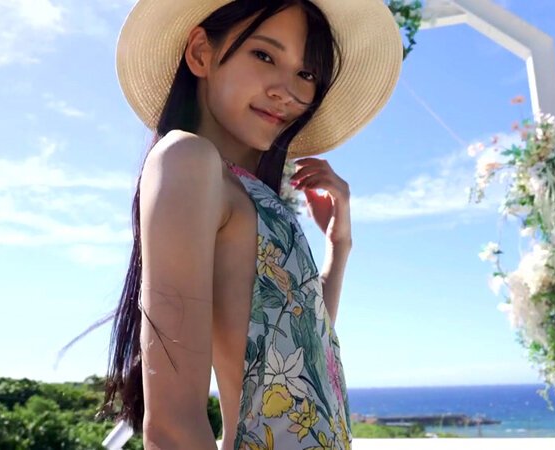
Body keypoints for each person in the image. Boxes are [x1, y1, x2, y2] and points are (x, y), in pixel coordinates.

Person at [100, 0, 402, 448]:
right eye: (264, 55)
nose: (289, 91)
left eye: (307, 74)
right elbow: (170, 425)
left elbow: (300, 349)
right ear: (200, 53)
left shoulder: (249, 194)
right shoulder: (188, 158)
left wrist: (339, 247)